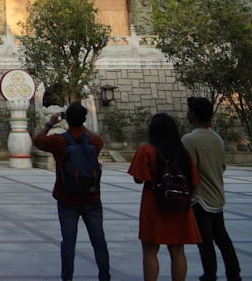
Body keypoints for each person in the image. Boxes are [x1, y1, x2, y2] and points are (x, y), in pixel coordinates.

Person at [33, 101, 111, 281]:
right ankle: (105, 276)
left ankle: (67, 277)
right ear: (84, 119)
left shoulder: (59, 141)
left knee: (68, 242)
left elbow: (37, 140)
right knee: (99, 241)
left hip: (67, 198)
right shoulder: (93, 140)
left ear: (67, 120)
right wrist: (82, 127)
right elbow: (99, 140)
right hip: (92, 198)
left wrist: (50, 123)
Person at [128, 113, 202, 281]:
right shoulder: (183, 153)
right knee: (177, 252)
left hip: (154, 205)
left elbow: (138, 179)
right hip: (179, 206)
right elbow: (195, 181)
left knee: (150, 250)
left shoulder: (146, 150)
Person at [182, 97, 242, 281]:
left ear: (194, 114)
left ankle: (209, 275)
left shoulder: (189, 140)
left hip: (200, 197)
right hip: (217, 195)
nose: (188, 113)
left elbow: (188, 170)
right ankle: (234, 273)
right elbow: (222, 166)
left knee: (205, 242)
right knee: (222, 238)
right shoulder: (217, 138)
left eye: (189, 110)